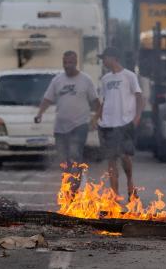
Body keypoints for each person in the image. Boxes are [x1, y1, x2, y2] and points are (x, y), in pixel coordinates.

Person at [35, 51, 100, 191]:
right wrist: (40, 113)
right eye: (65, 63)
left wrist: (96, 117)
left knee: (75, 154)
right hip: (60, 128)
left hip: (79, 125)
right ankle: (69, 184)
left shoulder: (85, 80)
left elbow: (95, 102)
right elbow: (47, 98)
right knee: (64, 161)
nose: (67, 65)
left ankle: (74, 187)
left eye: (70, 62)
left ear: (75, 62)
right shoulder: (57, 80)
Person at [95, 47, 143, 198]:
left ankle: (130, 183)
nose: (103, 61)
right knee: (111, 159)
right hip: (107, 124)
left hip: (124, 122)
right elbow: (102, 101)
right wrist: (98, 118)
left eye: (105, 58)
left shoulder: (129, 76)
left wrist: (137, 117)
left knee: (124, 156)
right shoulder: (105, 79)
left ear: (114, 58)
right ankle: (114, 194)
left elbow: (139, 97)